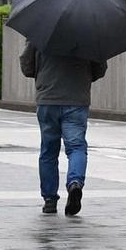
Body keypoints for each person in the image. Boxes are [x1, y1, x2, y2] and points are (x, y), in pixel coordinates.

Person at [19, 41, 106, 216]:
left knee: (49, 150)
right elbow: (99, 70)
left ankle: (50, 199)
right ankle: (75, 183)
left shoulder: (40, 31)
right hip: (76, 99)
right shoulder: (88, 33)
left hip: (48, 99)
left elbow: (27, 67)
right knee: (76, 147)